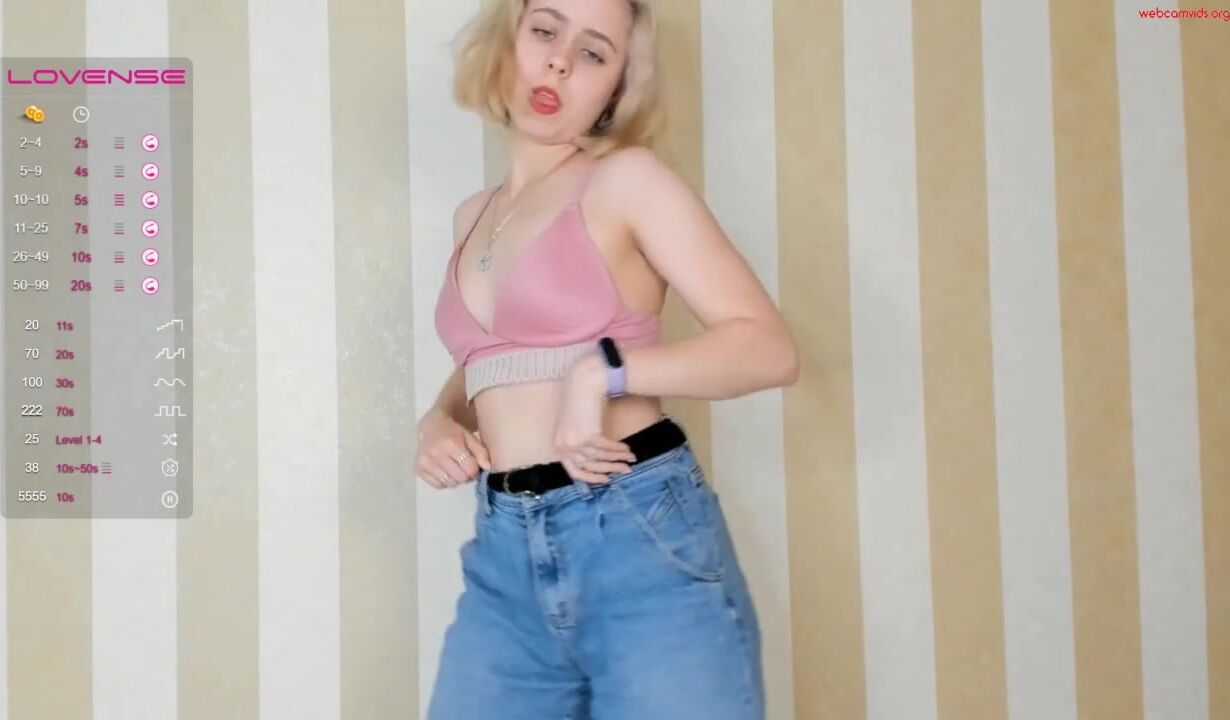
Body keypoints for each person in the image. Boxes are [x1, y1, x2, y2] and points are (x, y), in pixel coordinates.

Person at [417, 1, 799, 717]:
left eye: (594, 53)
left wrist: (606, 372)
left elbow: (767, 348)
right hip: (503, 552)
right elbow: (498, 359)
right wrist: (439, 418)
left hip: (637, 538)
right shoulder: (472, 216)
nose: (559, 62)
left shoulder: (627, 180)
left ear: (618, 87)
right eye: (545, 31)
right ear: (508, 39)